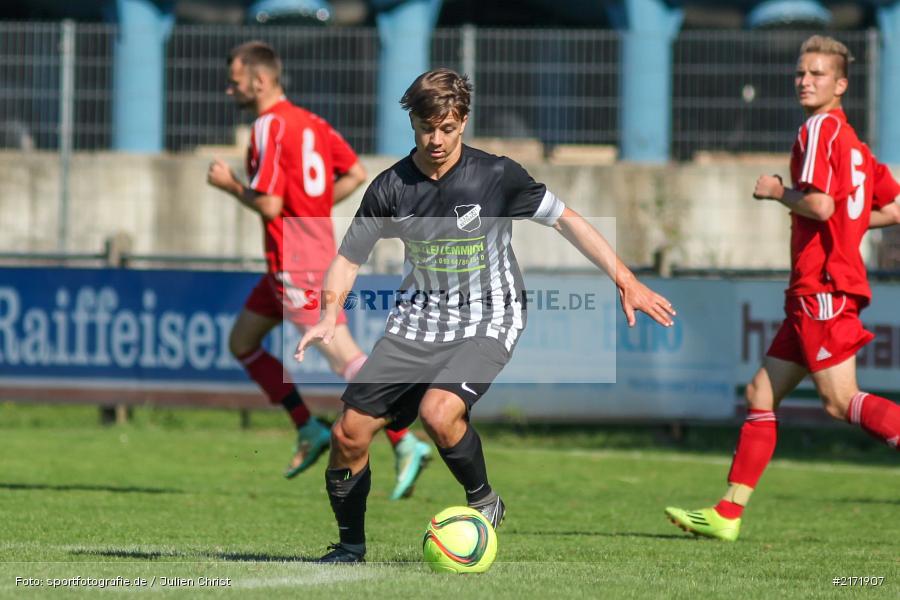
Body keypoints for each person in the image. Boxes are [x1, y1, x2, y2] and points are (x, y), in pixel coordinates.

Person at [294, 68, 677, 563]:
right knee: (349, 433)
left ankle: (483, 500)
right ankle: (349, 547)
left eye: (448, 128)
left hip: (489, 315)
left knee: (438, 412)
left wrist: (624, 278)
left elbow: (566, 220)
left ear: (464, 122)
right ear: (412, 122)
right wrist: (329, 314)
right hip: (418, 321)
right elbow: (348, 257)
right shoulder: (390, 187)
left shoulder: (495, 176)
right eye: (427, 127)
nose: (437, 139)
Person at [665, 35, 900, 542]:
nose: (804, 81)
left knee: (841, 402)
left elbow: (819, 206)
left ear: (840, 84)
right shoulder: (856, 146)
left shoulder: (819, 129)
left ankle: (729, 512)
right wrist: (850, 228)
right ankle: (728, 513)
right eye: (800, 73)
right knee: (760, 392)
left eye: (816, 74)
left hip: (823, 285)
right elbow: (894, 208)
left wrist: (776, 191)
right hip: (818, 289)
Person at [206, 41, 431, 499]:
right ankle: (308, 428)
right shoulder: (311, 122)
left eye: (235, 80)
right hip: (292, 260)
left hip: (296, 263)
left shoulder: (268, 126)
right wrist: (311, 208)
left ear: (259, 80)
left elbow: (269, 205)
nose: (230, 90)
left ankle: (405, 440)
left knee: (345, 357)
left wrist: (230, 184)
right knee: (242, 342)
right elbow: (353, 172)